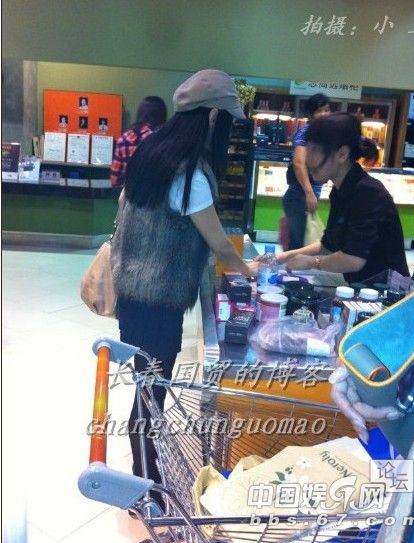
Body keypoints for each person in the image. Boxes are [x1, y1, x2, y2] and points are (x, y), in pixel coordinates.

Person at [110, 69, 259, 507]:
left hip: (135, 291)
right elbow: (220, 244)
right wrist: (251, 271)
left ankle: (146, 473)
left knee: (146, 386)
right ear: (212, 116)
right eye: (226, 120)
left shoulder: (153, 151)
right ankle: (146, 485)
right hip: (158, 300)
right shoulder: (191, 172)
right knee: (151, 392)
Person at [276, 112, 409, 282]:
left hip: (389, 290)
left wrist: (311, 262)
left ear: (342, 154)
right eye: (308, 148)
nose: (308, 159)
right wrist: (284, 257)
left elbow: (353, 259)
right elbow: (328, 246)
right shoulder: (339, 190)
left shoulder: (368, 192)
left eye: (315, 150)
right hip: (363, 286)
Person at [283, 93, 331, 250]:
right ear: (310, 114)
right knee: (299, 247)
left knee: (303, 244)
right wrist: (309, 193)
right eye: (319, 111)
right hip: (299, 196)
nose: (324, 114)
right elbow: (298, 163)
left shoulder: (322, 133)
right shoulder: (306, 132)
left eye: (327, 110)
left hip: (304, 196)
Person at [110, 96, 167, 186]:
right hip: (153, 192)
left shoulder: (123, 139)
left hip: (128, 192)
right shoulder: (161, 140)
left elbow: (114, 179)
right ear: (161, 116)